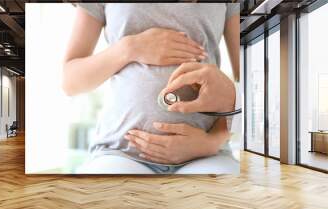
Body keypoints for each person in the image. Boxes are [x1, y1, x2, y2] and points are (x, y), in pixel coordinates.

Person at [62, 3, 240, 174]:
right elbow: (70, 81)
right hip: (122, 153)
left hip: (207, 154)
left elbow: (251, 85)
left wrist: (212, 142)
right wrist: (130, 48)